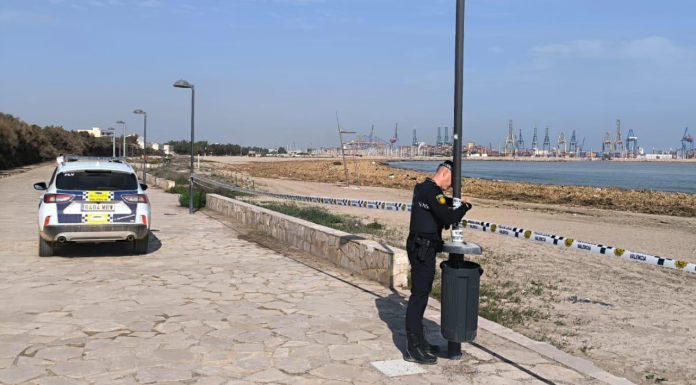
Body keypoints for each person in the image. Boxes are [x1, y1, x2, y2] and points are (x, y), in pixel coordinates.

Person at [404, 160, 472, 365]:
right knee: (419, 296)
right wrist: (465, 206)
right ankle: (412, 347)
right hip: (422, 250)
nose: (449, 187)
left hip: (422, 248)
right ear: (444, 174)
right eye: (450, 182)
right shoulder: (431, 192)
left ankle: (419, 341)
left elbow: (440, 205)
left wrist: (452, 202)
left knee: (421, 294)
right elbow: (448, 217)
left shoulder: (423, 189)